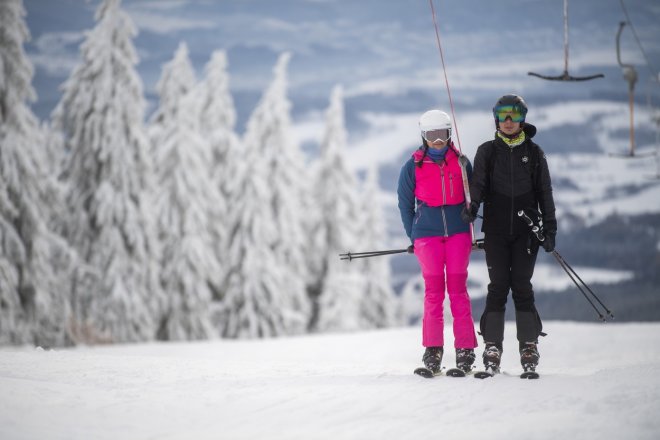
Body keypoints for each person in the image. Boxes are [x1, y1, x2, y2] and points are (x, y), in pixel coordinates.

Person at [461, 94, 557, 374]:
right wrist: (472, 206)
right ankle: (492, 347)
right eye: (503, 115)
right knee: (498, 285)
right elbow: (477, 185)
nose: (508, 121)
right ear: (496, 118)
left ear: (522, 119)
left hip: (527, 232)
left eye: (513, 115)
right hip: (496, 231)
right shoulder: (487, 152)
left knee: (522, 285)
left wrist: (550, 228)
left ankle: (528, 346)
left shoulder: (535, 154)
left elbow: (545, 194)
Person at [397, 109, 478, 375]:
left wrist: (471, 211)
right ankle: (433, 350)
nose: (438, 142)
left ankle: (465, 350)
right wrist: (414, 235)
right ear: (424, 137)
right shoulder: (412, 167)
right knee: (433, 293)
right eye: (432, 136)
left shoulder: (462, 163)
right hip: (427, 236)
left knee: (457, 291)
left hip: (457, 233)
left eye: (442, 135)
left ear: (449, 133)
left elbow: (475, 196)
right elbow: (405, 204)